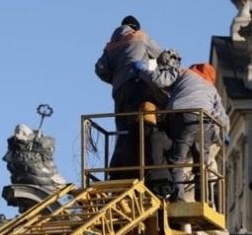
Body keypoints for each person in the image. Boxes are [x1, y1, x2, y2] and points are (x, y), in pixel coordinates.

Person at [135, 61, 229, 202]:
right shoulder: (212, 89)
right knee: (201, 166)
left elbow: (159, 80)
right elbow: (221, 115)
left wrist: (142, 71)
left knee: (178, 162)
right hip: (205, 124)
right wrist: (224, 133)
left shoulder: (183, 73)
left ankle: (178, 198)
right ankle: (203, 200)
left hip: (183, 119)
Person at [95, 15, 163, 178]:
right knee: (139, 127)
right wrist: (151, 73)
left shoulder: (111, 45)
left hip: (119, 91)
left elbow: (100, 69)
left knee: (122, 130)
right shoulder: (141, 36)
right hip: (137, 85)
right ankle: (139, 169)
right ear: (135, 27)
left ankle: (116, 171)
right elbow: (162, 56)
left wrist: (116, 78)